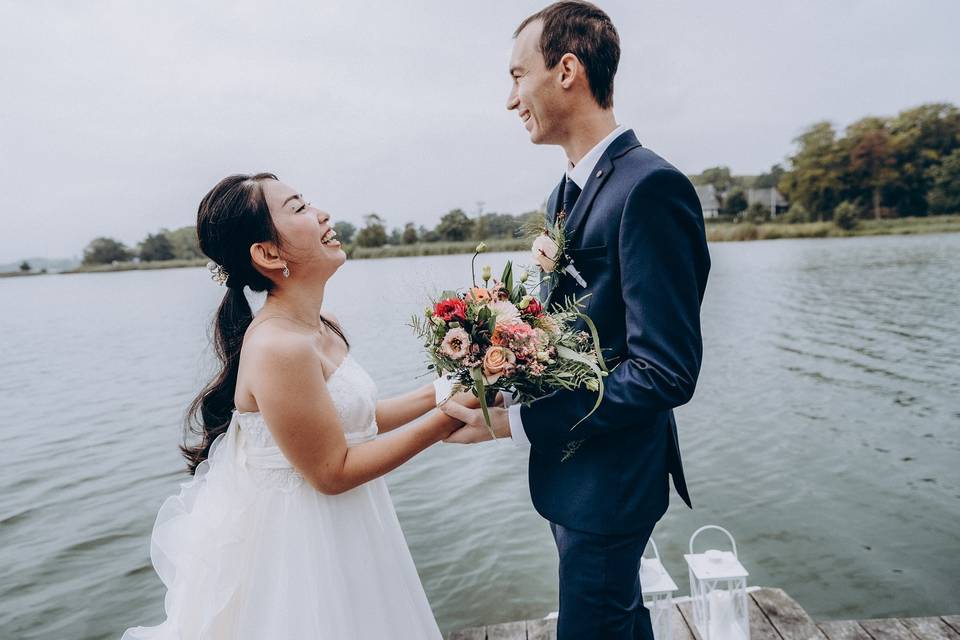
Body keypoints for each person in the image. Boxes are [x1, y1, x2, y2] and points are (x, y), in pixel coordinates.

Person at [439, 3, 711, 638]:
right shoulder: (563, 194)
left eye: (516, 75)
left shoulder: (650, 188)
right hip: (576, 471)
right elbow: (566, 335)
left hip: (614, 474)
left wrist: (517, 424)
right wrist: (499, 375)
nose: (510, 99)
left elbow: (664, 372)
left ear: (567, 69)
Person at [122, 172, 467, 639]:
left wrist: (452, 387)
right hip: (300, 543)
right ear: (268, 254)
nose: (323, 214)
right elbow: (331, 471)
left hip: (350, 523)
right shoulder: (276, 346)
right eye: (299, 209)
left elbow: (359, 420)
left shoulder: (322, 324)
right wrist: (447, 420)